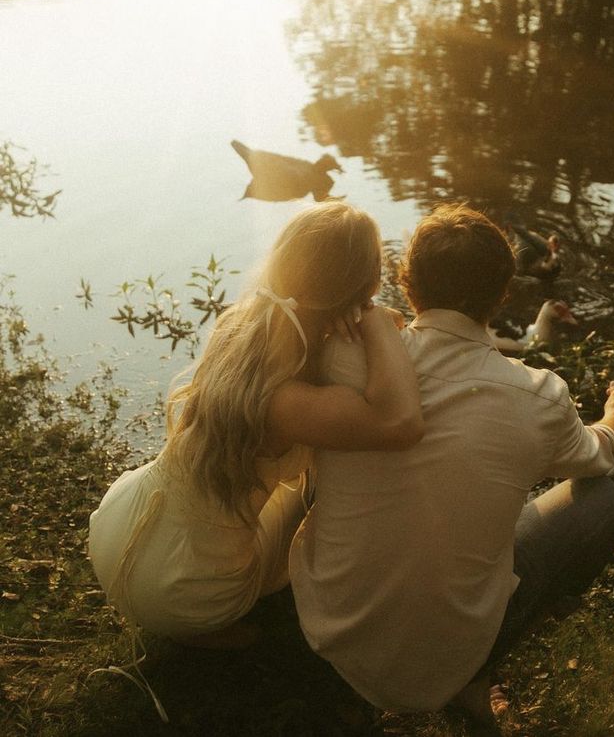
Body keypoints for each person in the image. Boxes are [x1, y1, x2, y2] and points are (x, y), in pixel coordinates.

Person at [289, 203, 614, 728]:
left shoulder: (340, 354)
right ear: (502, 294)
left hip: (333, 634)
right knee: (605, 498)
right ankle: (477, 674)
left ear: (406, 283)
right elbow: (598, 457)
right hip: (449, 661)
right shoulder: (541, 396)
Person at [88, 202, 423, 648]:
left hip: (114, 528)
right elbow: (401, 423)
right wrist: (376, 320)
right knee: (315, 491)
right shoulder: (284, 400)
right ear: (366, 285)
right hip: (184, 594)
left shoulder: (241, 328)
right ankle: (206, 624)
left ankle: (190, 596)